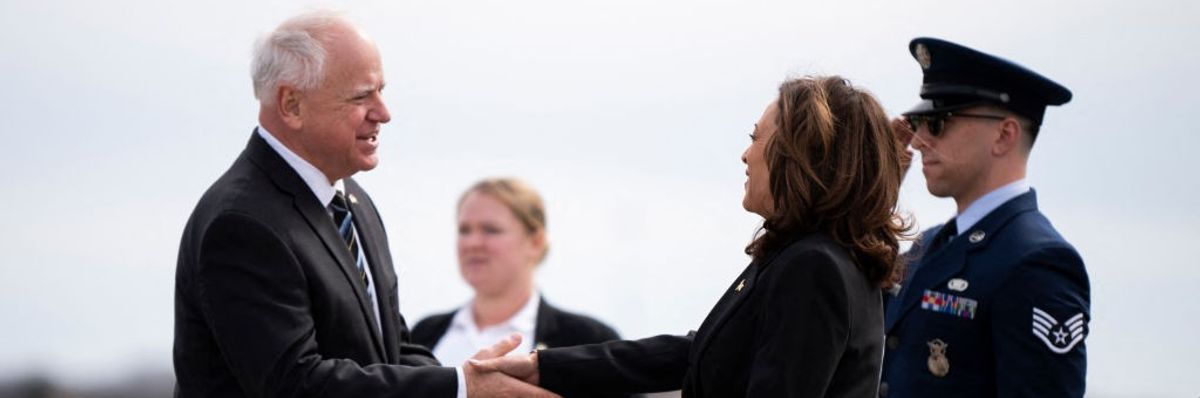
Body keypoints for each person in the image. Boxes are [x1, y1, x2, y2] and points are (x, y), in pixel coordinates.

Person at [172, 10, 556, 398]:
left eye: (381, 91)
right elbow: (296, 385)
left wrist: (477, 380)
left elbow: (392, 349)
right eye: (361, 96)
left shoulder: (351, 199)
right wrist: (461, 388)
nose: (383, 114)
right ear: (291, 105)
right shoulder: (243, 223)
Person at [472, 75, 911, 397]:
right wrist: (541, 368)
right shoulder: (805, 256)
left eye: (756, 138)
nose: (745, 154)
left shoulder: (812, 266)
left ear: (801, 155)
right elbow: (695, 352)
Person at [879, 37, 1090, 397]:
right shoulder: (926, 246)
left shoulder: (1037, 262)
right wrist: (876, 188)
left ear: (1004, 135)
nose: (917, 141)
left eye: (938, 122)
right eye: (917, 123)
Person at [412, 178, 623, 366]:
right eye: (464, 230)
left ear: (535, 242)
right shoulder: (424, 334)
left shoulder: (587, 340)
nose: (472, 243)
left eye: (491, 230)